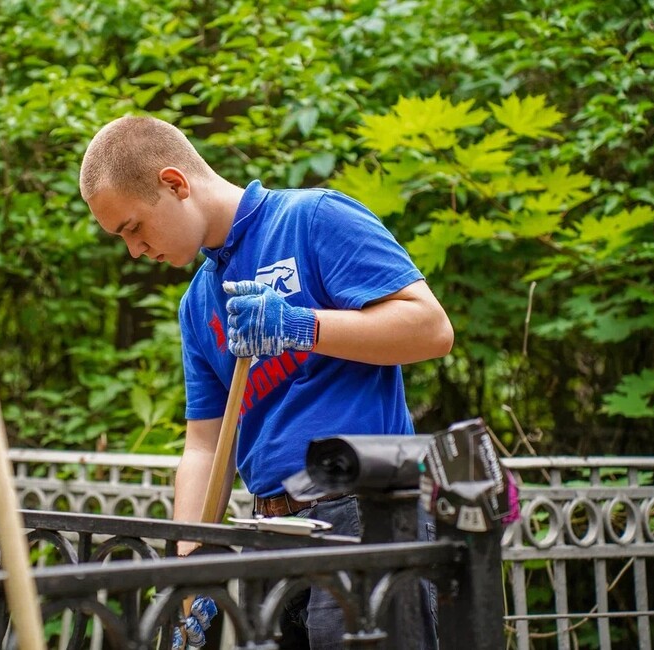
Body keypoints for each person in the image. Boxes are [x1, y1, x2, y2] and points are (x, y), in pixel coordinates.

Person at [79, 115, 453, 649]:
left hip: (365, 516)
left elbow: (432, 329)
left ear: (175, 183)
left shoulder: (314, 218)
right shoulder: (198, 304)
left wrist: (301, 326)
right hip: (273, 534)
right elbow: (206, 447)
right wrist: (190, 567)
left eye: (133, 228)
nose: (134, 250)